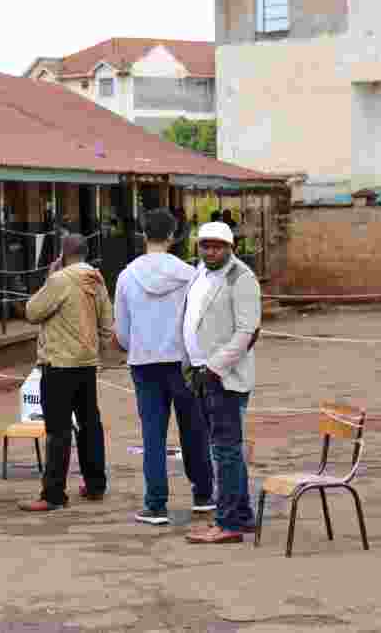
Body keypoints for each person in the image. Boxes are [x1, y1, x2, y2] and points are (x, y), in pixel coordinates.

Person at [115, 208, 215, 525]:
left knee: (153, 436)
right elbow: (200, 322)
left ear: (143, 234)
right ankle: (203, 494)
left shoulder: (127, 276)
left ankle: (156, 504)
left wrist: (141, 345)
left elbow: (122, 332)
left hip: (144, 364)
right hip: (183, 363)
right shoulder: (190, 275)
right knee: (194, 430)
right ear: (173, 237)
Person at [18, 234, 114, 511]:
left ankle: (53, 493)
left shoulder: (59, 279)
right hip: (86, 363)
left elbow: (32, 312)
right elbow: (107, 322)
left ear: (62, 253)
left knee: (58, 430)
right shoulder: (97, 278)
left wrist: (49, 277)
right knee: (89, 424)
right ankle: (95, 484)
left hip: (59, 363)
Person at [182, 222, 261, 544]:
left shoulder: (241, 277)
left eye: (217, 246)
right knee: (226, 449)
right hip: (200, 373)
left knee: (224, 451)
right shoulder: (199, 272)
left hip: (224, 377)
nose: (211, 251)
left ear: (230, 247)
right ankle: (241, 516)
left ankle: (227, 523)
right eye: (205, 245)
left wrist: (214, 368)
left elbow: (247, 331)